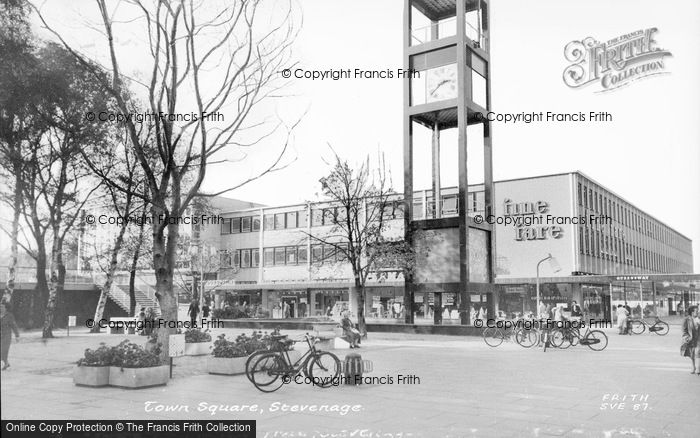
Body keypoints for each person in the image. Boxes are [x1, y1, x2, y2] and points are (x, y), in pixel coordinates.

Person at [1, 302, 20, 370]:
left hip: (6, 336)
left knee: (3, 351)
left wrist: (17, 335)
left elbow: (14, 326)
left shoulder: (9, 316)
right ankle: (6, 363)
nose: (1, 308)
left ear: (6, 308)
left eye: (2, 307)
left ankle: (6, 363)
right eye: (0, 307)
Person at [680, 305, 699, 374]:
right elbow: (684, 330)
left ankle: (698, 367)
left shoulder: (699, 318)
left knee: (698, 352)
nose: (698, 312)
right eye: (696, 311)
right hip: (691, 338)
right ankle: (693, 366)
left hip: (699, 338)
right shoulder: (686, 319)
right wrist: (687, 337)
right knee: (692, 353)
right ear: (692, 312)